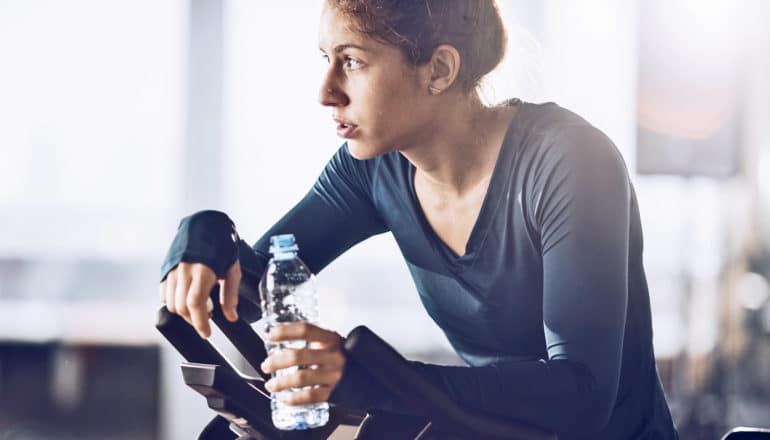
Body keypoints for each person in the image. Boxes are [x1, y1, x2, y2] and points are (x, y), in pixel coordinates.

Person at [158, 1, 679, 438]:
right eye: (326, 58)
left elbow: (581, 396)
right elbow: (246, 295)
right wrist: (205, 237)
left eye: (353, 62)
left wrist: (367, 377)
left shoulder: (568, 162)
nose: (325, 91)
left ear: (439, 70)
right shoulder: (373, 170)